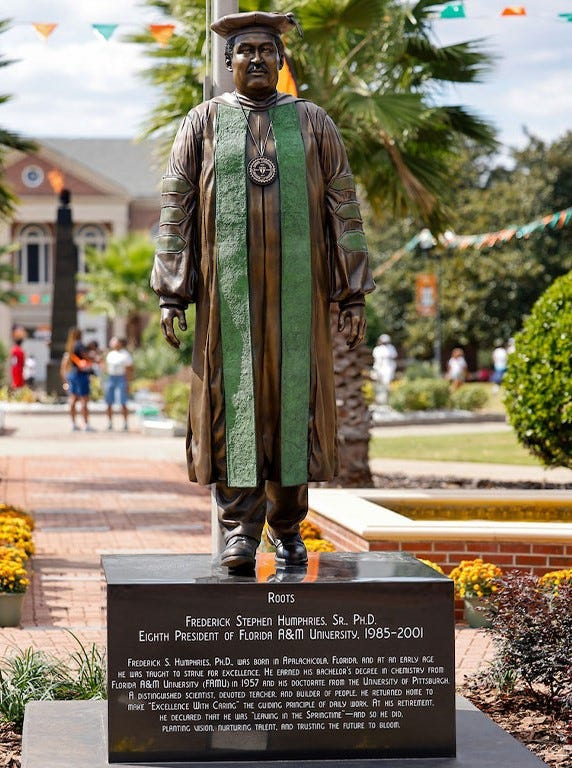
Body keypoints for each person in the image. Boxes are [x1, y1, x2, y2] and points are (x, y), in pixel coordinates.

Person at [151, 11, 374, 571]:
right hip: (228, 303)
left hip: (300, 298)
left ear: (281, 60)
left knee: (292, 407)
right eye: (244, 50)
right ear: (228, 64)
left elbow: (343, 209)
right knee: (234, 408)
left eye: (265, 50)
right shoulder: (201, 124)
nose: (255, 58)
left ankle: (289, 527)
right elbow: (177, 208)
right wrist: (172, 291)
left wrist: (352, 292)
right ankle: (239, 533)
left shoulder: (314, 123)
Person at [63, 327, 94, 432]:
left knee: (72, 399)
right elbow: (86, 357)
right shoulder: (80, 345)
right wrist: (92, 358)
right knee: (84, 400)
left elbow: (66, 364)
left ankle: (73, 423)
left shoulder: (70, 347)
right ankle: (85, 424)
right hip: (81, 374)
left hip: (72, 374)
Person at [104, 337, 133, 431]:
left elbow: (129, 369)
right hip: (111, 378)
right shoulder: (110, 354)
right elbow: (106, 367)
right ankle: (109, 423)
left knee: (123, 401)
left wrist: (128, 382)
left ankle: (125, 423)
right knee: (109, 401)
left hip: (121, 378)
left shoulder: (125, 355)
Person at [372, 333, 397, 403]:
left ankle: (387, 400)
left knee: (387, 383)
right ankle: (378, 400)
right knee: (378, 384)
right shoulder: (377, 349)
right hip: (379, 368)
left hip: (388, 368)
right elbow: (376, 359)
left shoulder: (391, 348)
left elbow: (393, 356)